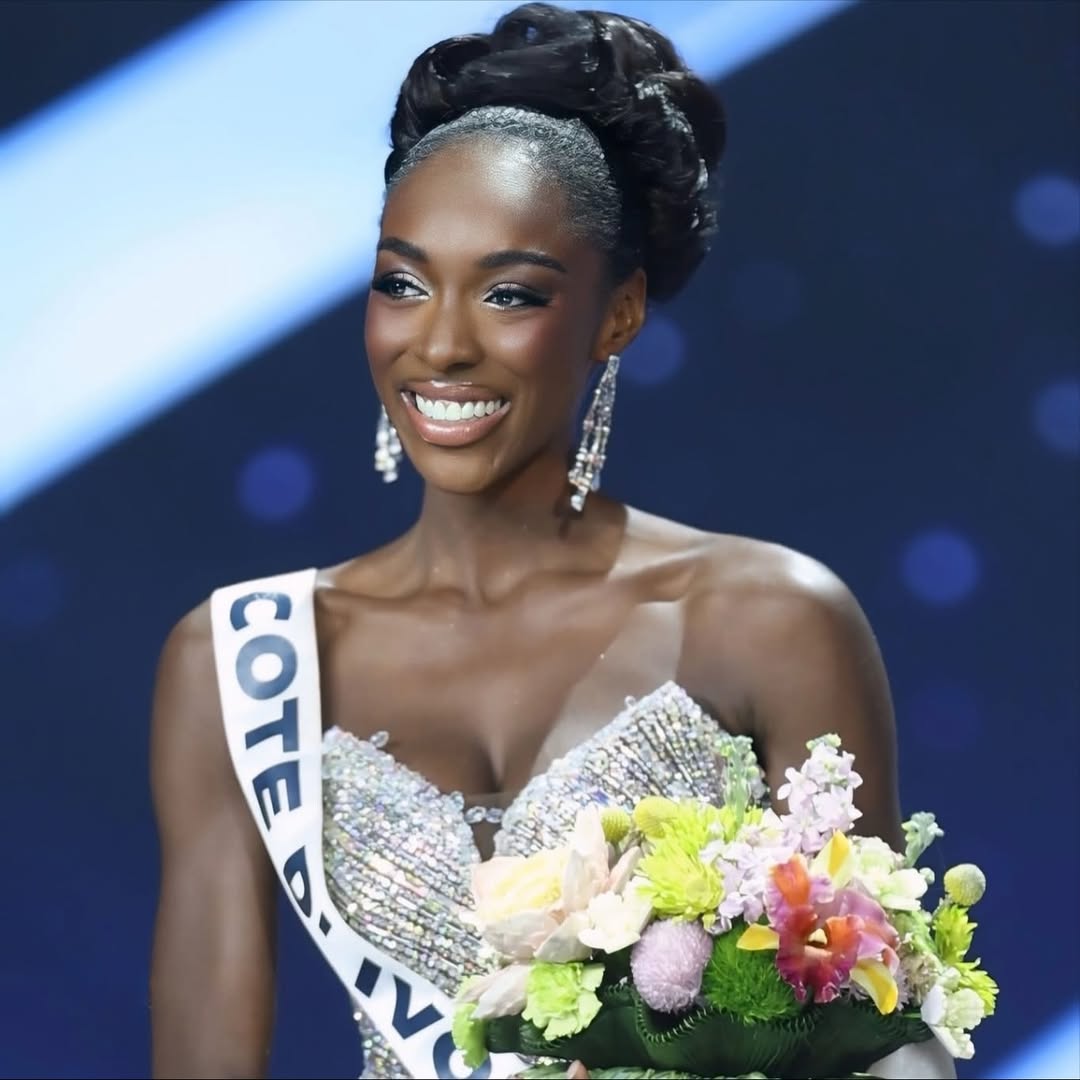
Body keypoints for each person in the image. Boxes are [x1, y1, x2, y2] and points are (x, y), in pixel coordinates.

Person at [149, 4, 955, 1078]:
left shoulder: (768, 619)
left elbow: (888, 1037)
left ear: (618, 314)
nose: (440, 342)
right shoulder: (238, 662)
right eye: (402, 283)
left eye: (510, 294)